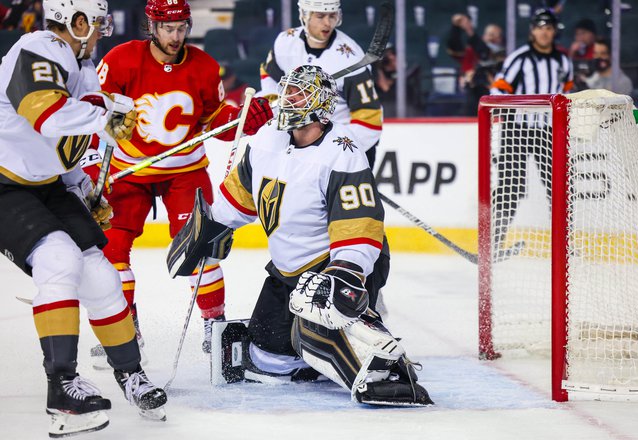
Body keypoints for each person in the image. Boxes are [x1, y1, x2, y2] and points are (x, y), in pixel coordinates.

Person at [168, 65, 433, 406]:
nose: (288, 100)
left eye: (299, 94)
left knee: (316, 313)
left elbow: (361, 227)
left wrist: (345, 275)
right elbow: (239, 201)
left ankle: (378, 361)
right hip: (287, 271)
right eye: (288, 92)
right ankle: (318, 355)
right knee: (266, 363)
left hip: (338, 265)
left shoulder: (343, 152)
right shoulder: (266, 139)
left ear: (321, 107)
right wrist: (210, 227)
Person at [0, 0, 167, 436]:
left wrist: (83, 188)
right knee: (59, 262)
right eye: (96, 23)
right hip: (3, 183)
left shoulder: (83, 64)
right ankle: (62, 391)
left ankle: (130, 374)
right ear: (76, 22)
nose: (100, 32)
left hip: (48, 185)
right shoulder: (35, 49)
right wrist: (105, 116)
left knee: (100, 275)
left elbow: (66, 145)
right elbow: (47, 114)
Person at [85, 0, 273, 364]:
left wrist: (242, 121)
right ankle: (126, 330)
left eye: (182, 28)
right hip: (129, 170)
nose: (176, 36)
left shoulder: (203, 66)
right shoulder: (122, 59)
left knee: (201, 247)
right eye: (168, 29)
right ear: (152, 26)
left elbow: (214, 118)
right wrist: (95, 171)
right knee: (112, 252)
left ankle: (214, 326)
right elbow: (97, 114)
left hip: (185, 170)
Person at [489, 8, 574, 258]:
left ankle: (564, 244)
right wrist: (518, 106)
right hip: (517, 131)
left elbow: (567, 93)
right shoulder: (520, 58)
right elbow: (498, 90)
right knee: (510, 187)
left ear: (554, 31)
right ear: (532, 30)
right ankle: (495, 242)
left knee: (559, 187)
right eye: (540, 27)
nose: (544, 32)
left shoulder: (563, 61)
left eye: (549, 28)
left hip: (549, 131)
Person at [259, 0, 383, 168]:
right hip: (298, 139)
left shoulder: (350, 58)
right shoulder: (285, 42)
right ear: (304, 15)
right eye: (320, 16)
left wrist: (338, 151)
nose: (327, 23)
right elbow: (270, 77)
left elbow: (370, 119)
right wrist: (274, 109)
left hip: (342, 145)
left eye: (332, 16)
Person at [446, 13, 505, 115]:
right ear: (484, 36)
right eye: (489, 35)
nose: (492, 39)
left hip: (492, 99)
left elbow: (485, 54)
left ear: (500, 39)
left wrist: (470, 31)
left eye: (495, 36)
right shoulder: (471, 52)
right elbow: (454, 48)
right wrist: (456, 28)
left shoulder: (502, 55)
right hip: (469, 96)